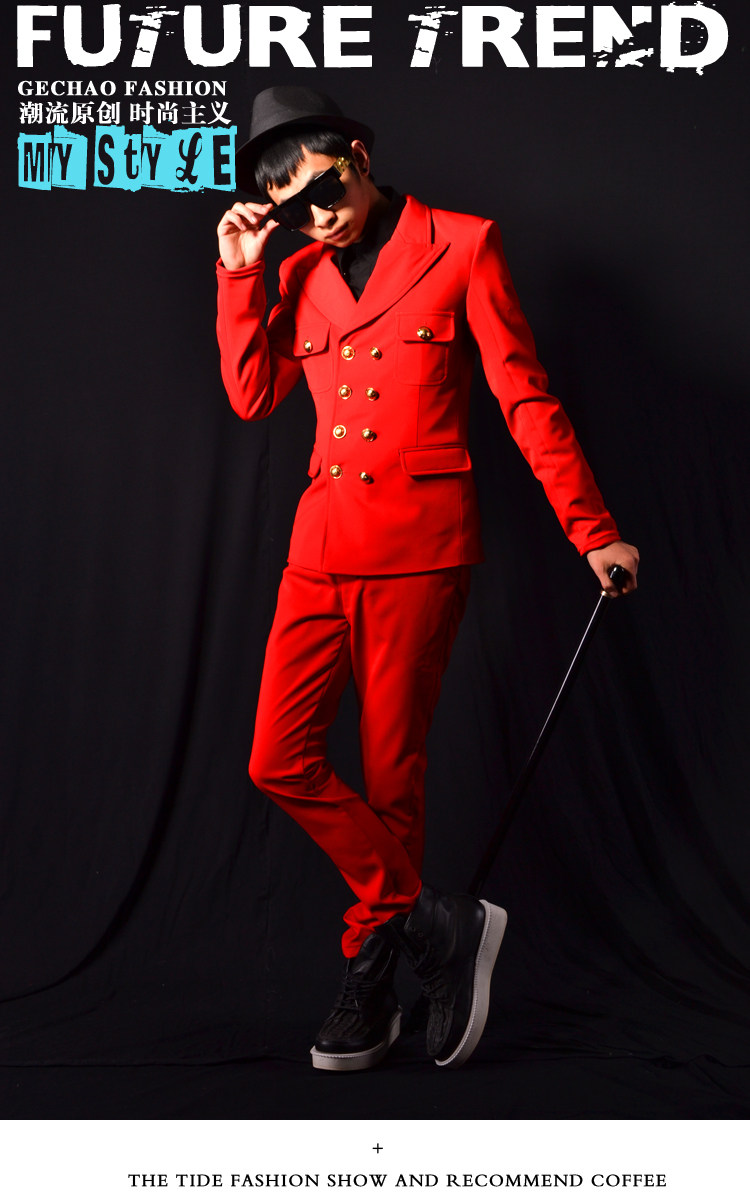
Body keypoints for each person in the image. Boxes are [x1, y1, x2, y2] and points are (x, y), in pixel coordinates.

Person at [216, 86, 639, 1073]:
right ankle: (434, 922)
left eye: (324, 191)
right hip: (320, 548)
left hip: (420, 549)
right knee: (277, 758)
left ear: (358, 157)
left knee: (391, 776)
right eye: (291, 210)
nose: (317, 218)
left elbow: (523, 396)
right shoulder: (298, 271)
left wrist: (594, 532)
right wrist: (240, 274)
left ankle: (372, 979)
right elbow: (253, 395)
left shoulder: (463, 244)